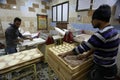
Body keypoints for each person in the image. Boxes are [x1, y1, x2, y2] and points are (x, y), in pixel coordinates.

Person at [60, 4, 120, 80]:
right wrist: (87, 55)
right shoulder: (113, 31)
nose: (91, 22)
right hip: (111, 66)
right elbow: (97, 47)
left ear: (97, 19)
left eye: (92, 20)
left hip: (103, 69)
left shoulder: (101, 34)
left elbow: (81, 49)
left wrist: (65, 54)